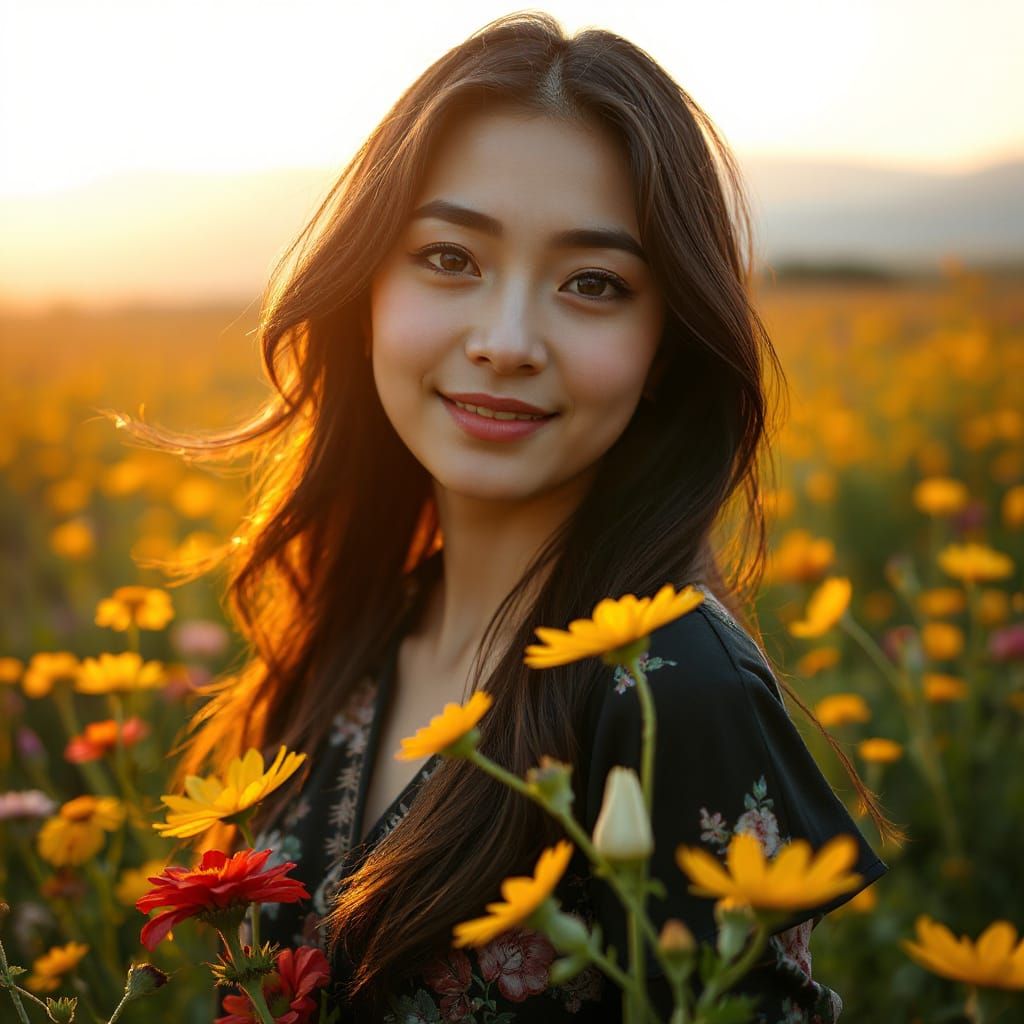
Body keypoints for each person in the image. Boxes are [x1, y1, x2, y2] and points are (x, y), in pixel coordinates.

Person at [129, 12, 896, 1022]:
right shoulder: (358, 628)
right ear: (366, 288)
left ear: (664, 345)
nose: (505, 339)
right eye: (450, 258)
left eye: (593, 283)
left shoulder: (673, 694)